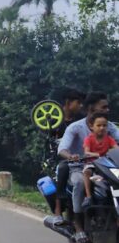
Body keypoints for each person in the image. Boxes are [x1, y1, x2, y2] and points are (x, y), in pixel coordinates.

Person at [57, 92, 119, 243]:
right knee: (79, 183)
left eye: (107, 107)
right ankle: (78, 226)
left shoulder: (110, 127)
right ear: (91, 108)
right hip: (79, 167)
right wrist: (71, 156)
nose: (107, 110)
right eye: (103, 107)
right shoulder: (75, 127)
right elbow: (62, 149)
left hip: (106, 167)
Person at [50, 88, 86, 224]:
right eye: (78, 102)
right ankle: (58, 210)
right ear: (68, 103)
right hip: (62, 156)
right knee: (62, 168)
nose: (81, 106)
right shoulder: (54, 121)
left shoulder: (81, 120)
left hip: (82, 155)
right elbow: (49, 138)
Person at [81, 112, 117, 208]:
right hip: (92, 163)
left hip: (106, 164)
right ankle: (88, 196)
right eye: (99, 125)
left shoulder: (109, 139)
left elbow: (116, 149)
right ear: (91, 126)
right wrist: (99, 155)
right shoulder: (88, 139)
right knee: (87, 171)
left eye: (104, 125)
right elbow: (87, 152)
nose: (102, 128)